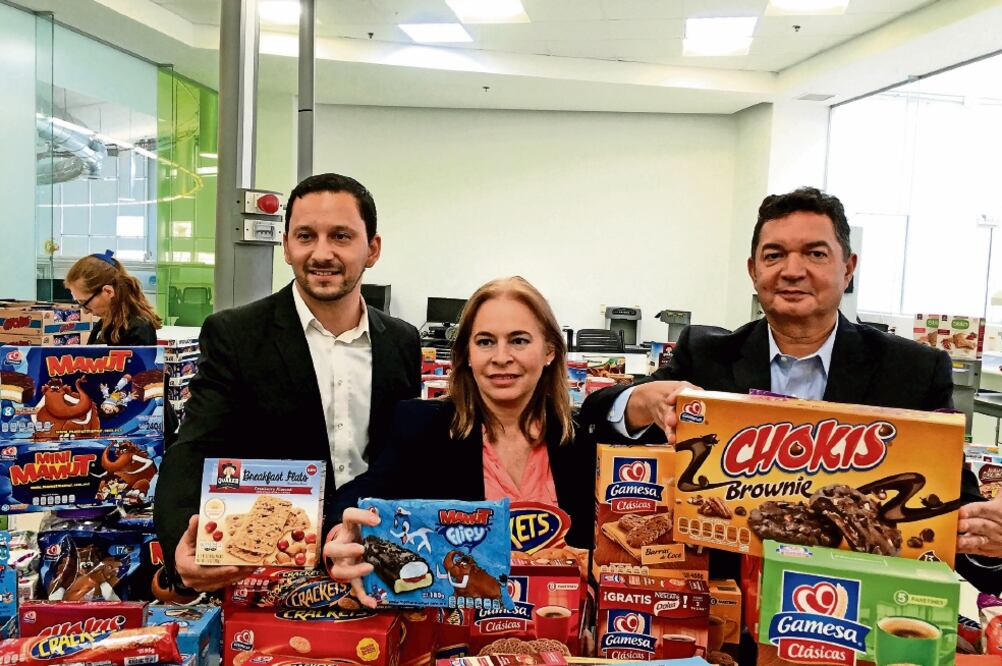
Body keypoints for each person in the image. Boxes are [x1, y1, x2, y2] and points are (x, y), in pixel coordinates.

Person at [580, 187, 999, 593]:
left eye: (815, 254)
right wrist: (640, 401)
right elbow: (596, 416)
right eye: (774, 255)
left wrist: (989, 541)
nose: (792, 270)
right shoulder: (706, 355)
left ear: (848, 268)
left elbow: (951, 504)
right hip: (723, 606)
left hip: (861, 608)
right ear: (753, 270)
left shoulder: (913, 369)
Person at [154, 173, 422, 593]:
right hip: (272, 573)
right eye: (305, 236)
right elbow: (195, 448)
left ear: (372, 249)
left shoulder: (402, 342)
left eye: (340, 236)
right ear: (286, 247)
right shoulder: (237, 334)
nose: (321, 253)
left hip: (373, 565)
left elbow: (404, 456)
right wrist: (178, 548)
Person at [325, 276, 595, 605]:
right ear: (466, 353)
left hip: (561, 633)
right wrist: (341, 534)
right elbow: (359, 494)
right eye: (485, 342)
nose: (501, 356)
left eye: (519, 340)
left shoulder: (581, 441)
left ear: (550, 350)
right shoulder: (422, 427)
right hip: (455, 640)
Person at [65, 250, 161, 345]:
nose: (85, 311)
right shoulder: (105, 323)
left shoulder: (138, 329)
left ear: (108, 291)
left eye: (85, 302)